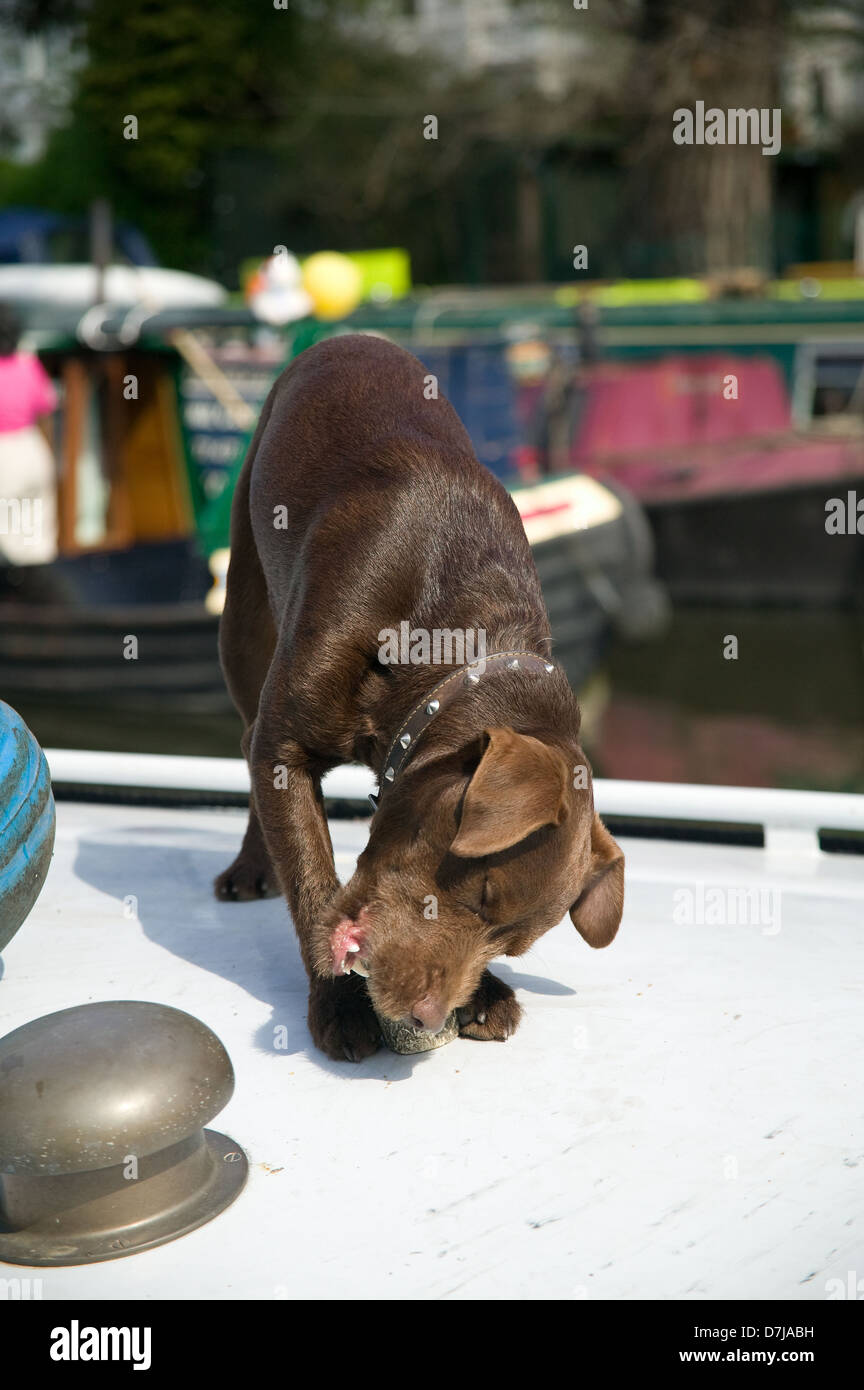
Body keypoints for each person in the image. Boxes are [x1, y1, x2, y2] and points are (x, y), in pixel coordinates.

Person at [0, 302, 59, 566]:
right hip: (32, 447)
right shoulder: (28, 364)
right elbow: (47, 408)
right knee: (37, 532)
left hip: (6, 452)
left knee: (8, 534)